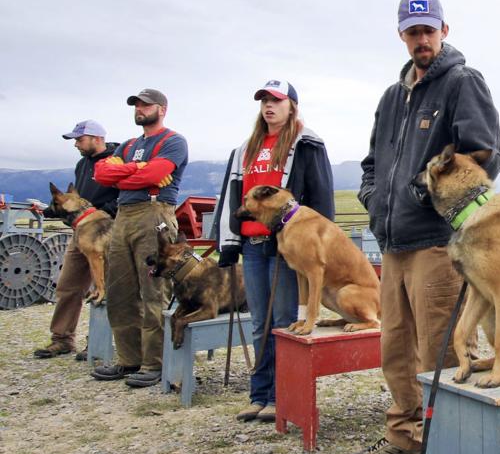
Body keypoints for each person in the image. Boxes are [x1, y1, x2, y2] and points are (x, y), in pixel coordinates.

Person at [352, 0, 500, 454]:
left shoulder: (462, 83)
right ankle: (403, 434)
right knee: (394, 343)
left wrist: (425, 196)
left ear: (444, 30)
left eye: (428, 30)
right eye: (412, 31)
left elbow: (485, 155)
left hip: (439, 241)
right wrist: (373, 197)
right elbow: (373, 160)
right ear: (401, 34)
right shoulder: (391, 97)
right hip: (393, 241)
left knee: (440, 346)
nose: (421, 39)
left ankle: (452, 445)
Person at [212, 80, 335, 424]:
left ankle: (283, 397)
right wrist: (227, 243)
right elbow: (232, 196)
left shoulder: (306, 144)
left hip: (285, 245)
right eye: (265, 100)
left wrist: (318, 240)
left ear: (292, 106)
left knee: (282, 321)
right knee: (259, 324)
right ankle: (260, 394)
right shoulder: (244, 150)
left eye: (277, 101)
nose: (269, 106)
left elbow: (321, 194)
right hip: (251, 244)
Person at [91, 88, 189, 388]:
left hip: (154, 212)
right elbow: (101, 174)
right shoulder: (129, 144)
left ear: (162, 109)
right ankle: (128, 359)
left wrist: (127, 173)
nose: (140, 109)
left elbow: (152, 176)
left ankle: (154, 363)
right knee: (120, 290)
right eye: (137, 105)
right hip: (123, 214)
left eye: (146, 105)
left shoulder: (173, 141)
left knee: (152, 290)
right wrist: (136, 170)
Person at [32, 120, 119, 360]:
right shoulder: (82, 164)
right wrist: (51, 210)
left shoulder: (117, 158)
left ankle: (97, 343)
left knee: (104, 288)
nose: (76, 145)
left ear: (97, 138)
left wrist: (104, 211)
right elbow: (73, 200)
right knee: (68, 285)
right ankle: (62, 339)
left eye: (79, 140)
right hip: (80, 231)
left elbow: (125, 192)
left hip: (105, 231)